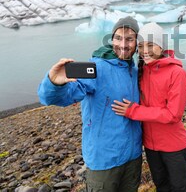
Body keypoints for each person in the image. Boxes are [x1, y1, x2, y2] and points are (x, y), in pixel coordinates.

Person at [37, 16, 143, 192]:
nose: (123, 44)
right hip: (104, 160)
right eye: (118, 38)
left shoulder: (133, 70)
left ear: (136, 42)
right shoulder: (97, 67)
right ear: (112, 38)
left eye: (129, 39)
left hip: (133, 157)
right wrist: (54, 83)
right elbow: (62, 96)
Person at [112, 22, 186, 192]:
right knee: (162, 186)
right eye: (140, 46)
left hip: (173, 146)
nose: (145, 51)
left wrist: (133, 111)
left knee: (180, 188)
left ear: (161, 46)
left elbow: (173, 115)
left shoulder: (177, 73)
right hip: (150, 145)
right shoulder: (142, 70)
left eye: (150, 45)